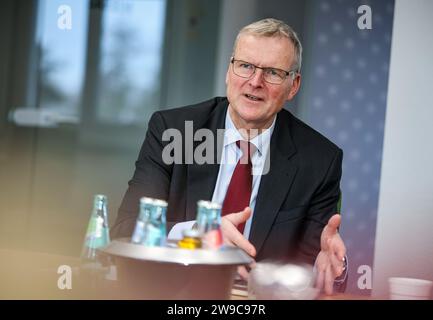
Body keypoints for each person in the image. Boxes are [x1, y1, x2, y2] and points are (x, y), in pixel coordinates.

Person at [111, 18, 347, 294]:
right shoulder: (173, 131)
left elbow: (309, 273)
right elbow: (126, 230)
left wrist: (330, 269)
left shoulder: (319, 160)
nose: (255, 81)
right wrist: (200, 235)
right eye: (245, 66)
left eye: (272, 72)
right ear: (229, 71)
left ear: (293, 86)